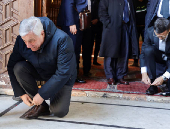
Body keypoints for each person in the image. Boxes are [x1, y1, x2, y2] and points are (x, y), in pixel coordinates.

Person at [7, 16, 77, 119]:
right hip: (40, 71)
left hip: (61, 77)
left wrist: (42, 94)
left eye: (31, 41)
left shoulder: (62, 39)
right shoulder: (22, 40)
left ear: (42, 33)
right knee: (18, 68)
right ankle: (42, 106)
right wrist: (20, 93)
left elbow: (63, 73)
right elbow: (11, 66)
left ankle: (46, 97)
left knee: (58, 112)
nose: (28, 45)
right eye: (25, 41)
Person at [98, 0, 139, 85]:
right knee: (110, 53)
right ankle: (110, 76)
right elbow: (102, 11)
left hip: (126, 27)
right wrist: (108, 23)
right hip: (112, 28)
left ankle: (121, 76)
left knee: (124, 52)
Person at [57, 0, 87, 83]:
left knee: (76, 50)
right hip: (71, 23)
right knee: (71, 50)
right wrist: (71, 23)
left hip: (76, 21)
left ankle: (74, 75)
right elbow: (68, 3)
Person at [140, 18, 170, 95]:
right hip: (158, 56)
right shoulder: (149, 32)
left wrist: (164, 77)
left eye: (162, 36)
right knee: (148, 50)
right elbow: (143, 53)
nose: (160, 39)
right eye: (157, 36)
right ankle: (152, 84)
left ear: (168, 30)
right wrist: (144, 73)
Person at [132, 0, 148, 66]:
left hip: (145, 27)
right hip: (136, 27)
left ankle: (145, 61)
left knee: (146, 44)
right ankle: (135, 60)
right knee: (135, 44)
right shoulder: (133, 2)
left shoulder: (147, 2)